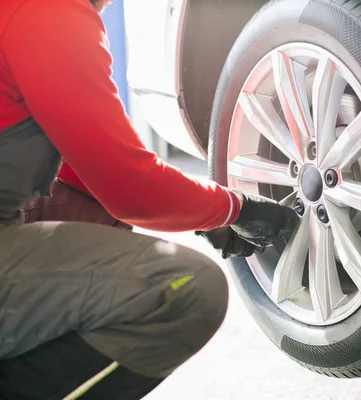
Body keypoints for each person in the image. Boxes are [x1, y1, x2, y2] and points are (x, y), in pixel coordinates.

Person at [0, 0, 298, 398]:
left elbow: (89, 159)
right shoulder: (51, 14)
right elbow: (128, 185)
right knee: (186, 288)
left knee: (95, 212)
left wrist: (195, 210)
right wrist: (234, 208)